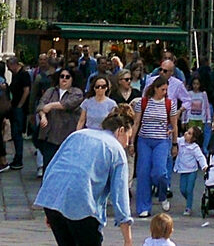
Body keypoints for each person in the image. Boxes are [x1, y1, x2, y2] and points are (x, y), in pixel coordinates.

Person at [33, 103, 134, 246]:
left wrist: (52, 204)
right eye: (129, 137)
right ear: (121, 131)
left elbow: (51, 168)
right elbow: (120, 197)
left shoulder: (77, 135)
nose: (127, 143)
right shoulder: (116, 150)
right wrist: (128, 240)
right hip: (82, 206)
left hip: (53, 200)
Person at [133, 78, 175, 218]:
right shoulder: (143, 103)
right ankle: (143, 206)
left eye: (166, 90)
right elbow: (137, 122)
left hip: (161, 141)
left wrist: (174, 144)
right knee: (143, 173)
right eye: (162, 89)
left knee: (160, 172)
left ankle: (162, 194)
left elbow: (173, 125)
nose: (164, 92)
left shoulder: (169, 104)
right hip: (144, 140)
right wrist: (131, 141)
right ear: (155, 88)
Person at [35, 70, 85, 176]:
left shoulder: (77, 92)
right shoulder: (51, 91)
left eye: (68, 77)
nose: (64, 79)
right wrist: (43, 116)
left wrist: (51, 106)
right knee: (48, 167)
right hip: (50, 135)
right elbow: (41, 105)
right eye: (62, 76)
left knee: (66, 169)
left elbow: (68, 104)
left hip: (67, 134)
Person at [172, 126, 206, 216]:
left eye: (189, 133)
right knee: (182, 189)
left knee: (189, 189)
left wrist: (204, 166)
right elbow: (175, 139)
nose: (186, 133)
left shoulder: (195, 148)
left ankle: (188, 207)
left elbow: (200, 157)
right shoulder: (181, 141)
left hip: (192, 171)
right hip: (183, 170)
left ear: (194, 138)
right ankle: (189, 199)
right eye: (187, 131)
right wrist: (170, 134)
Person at [9, 59, 32, 172]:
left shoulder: (23, 74)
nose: (8, 69)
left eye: (9, 66)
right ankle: (17, 158)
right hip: (15, 106)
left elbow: (26, 90)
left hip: (19, 107)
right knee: (15, 133)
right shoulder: (15, 75)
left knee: (17, 133)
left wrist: (20, 105)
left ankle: (19, 158)